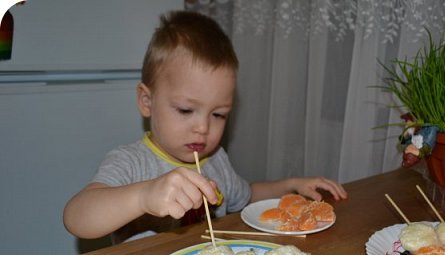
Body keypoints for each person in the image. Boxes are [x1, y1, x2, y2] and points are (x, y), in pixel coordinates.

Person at [63, 11, 347, 242]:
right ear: (147, 101)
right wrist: (143, 196)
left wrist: (291, 184)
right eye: (186, 110)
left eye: (219, 114)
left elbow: (245, 195)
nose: (203, 128)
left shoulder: (216, 161)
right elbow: (77, 218)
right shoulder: (131, 162)